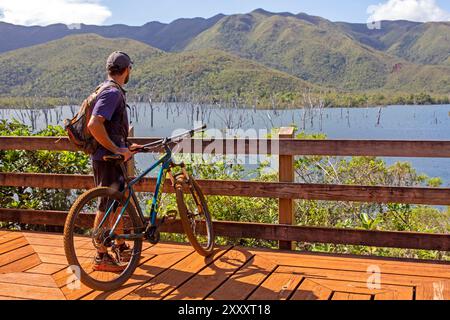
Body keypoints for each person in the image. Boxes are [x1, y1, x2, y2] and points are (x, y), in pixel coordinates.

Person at [87, 51, 142, 272]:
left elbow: (110, 129)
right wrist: (116, 148)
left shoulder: (109, 89)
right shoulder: (112, 93)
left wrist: (125, 148)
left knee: (117, 202)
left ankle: (119, 245)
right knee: (105, 206)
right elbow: (94, 125)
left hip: (112, 157)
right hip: (106, 158)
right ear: (127, 69)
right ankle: (101, 256)